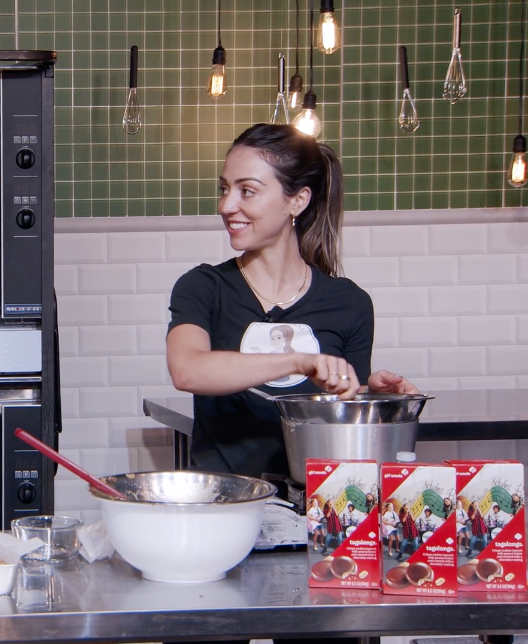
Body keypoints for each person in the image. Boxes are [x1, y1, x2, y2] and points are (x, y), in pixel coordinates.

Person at [166, 123, 419, 479]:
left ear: (297, 200)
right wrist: (299, 361)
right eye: (224, 189)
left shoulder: (349, 303)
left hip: (316, 504)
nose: (227, 205)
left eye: (247, 191)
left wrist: (376, 397)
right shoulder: (204, 287)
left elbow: (342, 408)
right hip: (226, 504)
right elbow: (187, 370)